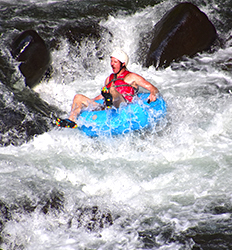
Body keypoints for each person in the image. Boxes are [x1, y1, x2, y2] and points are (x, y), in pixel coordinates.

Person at [56, 49, 159, 128]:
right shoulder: (108, 79)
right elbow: (102, 95)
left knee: (113, 90)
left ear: (123, 64)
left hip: (124, 105)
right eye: (111, 61)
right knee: (78, 97)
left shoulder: (132, 77)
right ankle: (71, 121)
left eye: (115, 62)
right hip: (107, 106)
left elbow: (152, 88)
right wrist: (90, 102)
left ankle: (110, 100)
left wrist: (152, 94)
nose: (112, 64)